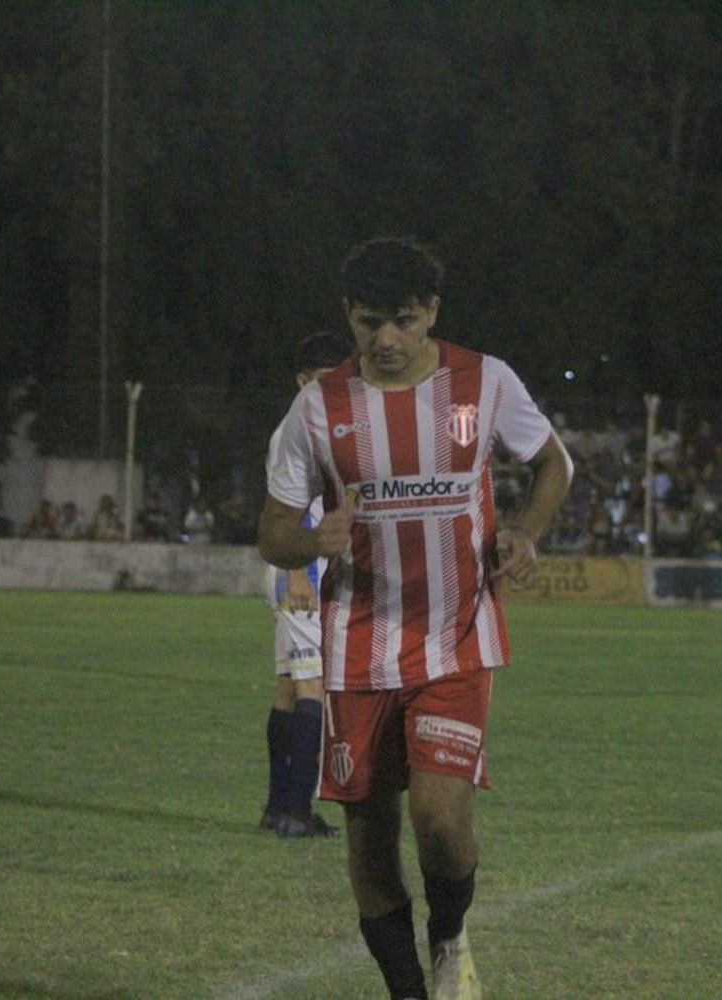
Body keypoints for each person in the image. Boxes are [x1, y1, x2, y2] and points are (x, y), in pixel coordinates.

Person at [258, 237, 572, 1000]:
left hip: (456, 636)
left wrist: (524, 530)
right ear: (348, 317)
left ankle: (450, 935)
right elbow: (272, 530)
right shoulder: (317, 408)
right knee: (369, 840)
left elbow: (553, 463)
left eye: (403, 320)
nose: (386, 340)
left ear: (431, 312)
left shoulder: (485, 382)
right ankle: (408, 993)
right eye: (370, 323)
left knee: (437, 817)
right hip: (359, 645)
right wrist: (310, 538)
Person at [259, 332, 352, 841]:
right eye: (320, 381)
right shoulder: (297, 429)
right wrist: (298, 568)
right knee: (314, 686)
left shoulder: (320, 427)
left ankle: (278, 807)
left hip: (301, 563)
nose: (329, 390)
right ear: (301, 381)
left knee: (289, 688)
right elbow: (288, 510)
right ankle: (296, 809)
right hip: (300, 567)